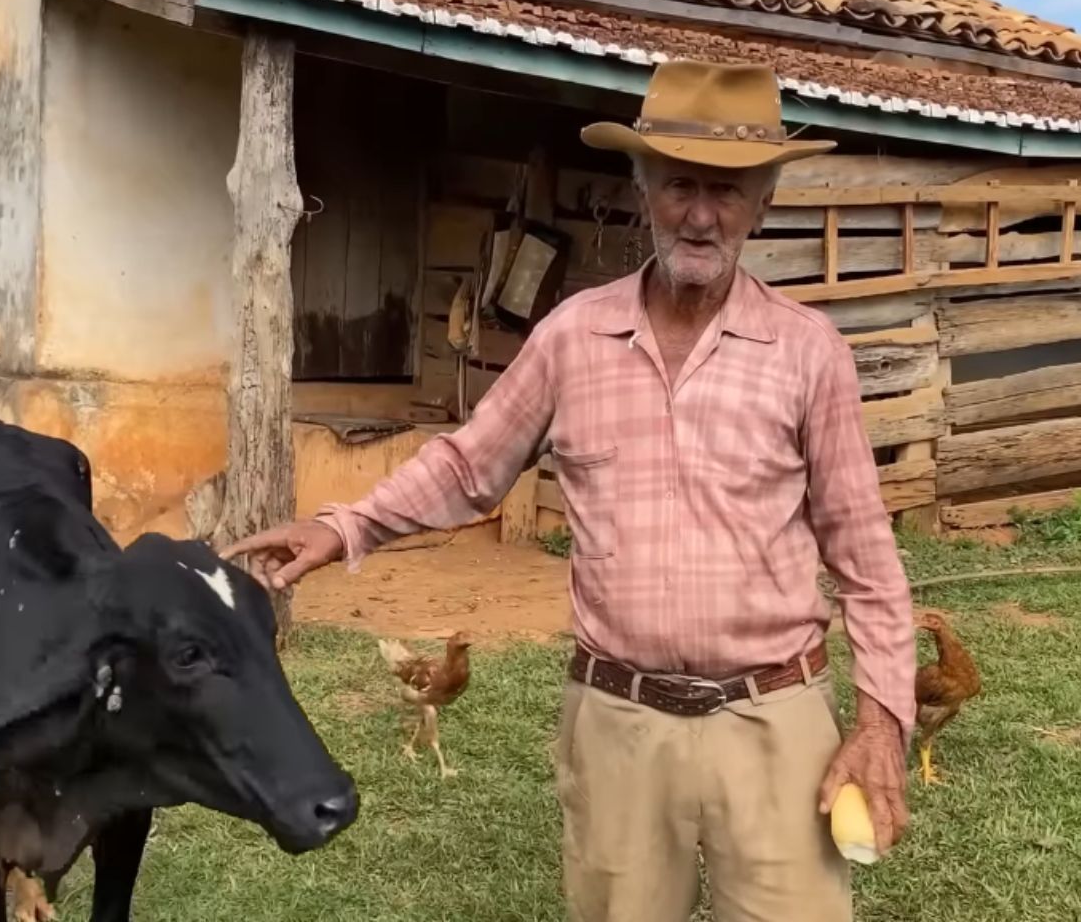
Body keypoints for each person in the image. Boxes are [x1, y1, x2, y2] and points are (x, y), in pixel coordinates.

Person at [226, 60, 916, 922]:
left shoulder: (809, 353)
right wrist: (344, 526)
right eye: (680, 186)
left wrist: (883, 725)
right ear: (643, 189)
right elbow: (470, 464)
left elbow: (866, 558)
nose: (702, 214)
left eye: (728, 191)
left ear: (763, 204)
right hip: (617, 723)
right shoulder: (574, 338)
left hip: (776, 722)